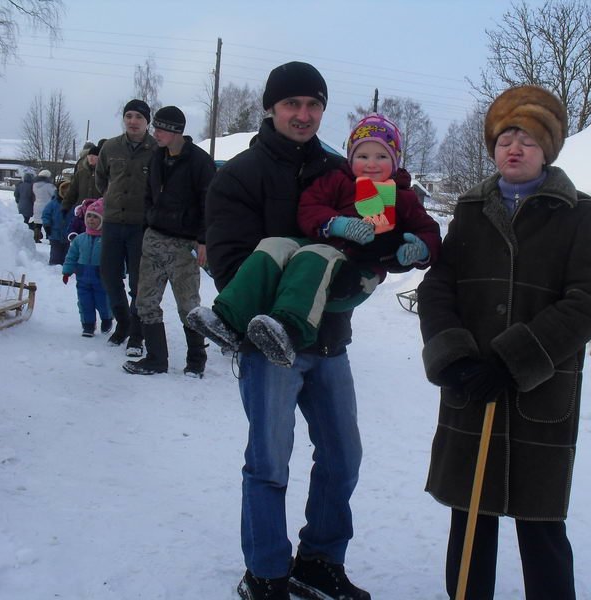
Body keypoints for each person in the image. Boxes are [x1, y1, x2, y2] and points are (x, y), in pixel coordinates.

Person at [416, 85, 591, 600]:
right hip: (472, 388)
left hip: (539, 393)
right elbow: (438, 287)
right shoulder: (473, 210)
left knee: (540, 524)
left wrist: (514, 359)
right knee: (470, 520)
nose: (514, 148)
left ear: (548, 148)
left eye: (526, 138)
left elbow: (586, 302)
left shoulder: (577, 213)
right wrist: (453, 359)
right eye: (504, 138)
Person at [204, 61, 372, 600]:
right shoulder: (239, 175)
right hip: (268, 348)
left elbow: (369, 239)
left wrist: (379, 258)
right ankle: (267, 572)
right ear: (271, 109)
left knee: (343, 456)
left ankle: (319, 562)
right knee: (270, 461)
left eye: (313, 104)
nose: (303, 114)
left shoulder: (342, 171)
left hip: (330, 342)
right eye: (292, 104)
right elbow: (229, 267)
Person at [188, 113, 441, 368]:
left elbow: (428, 230)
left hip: (357, 270)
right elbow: (309, 207)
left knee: (315, 256)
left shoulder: (402, 196)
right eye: (363, 156)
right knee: (275, 245)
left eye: (382, 157)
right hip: (321, 245)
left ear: (395, 161)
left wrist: (419, 248)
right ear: (351, 157)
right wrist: (337, 223)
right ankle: (229, 319)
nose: (371, 164)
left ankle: (291, 329)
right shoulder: (338, 180)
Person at [122, 106, 216, 378]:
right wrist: (148, 225)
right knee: (146, 301)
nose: (156, 133)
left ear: (176, 131)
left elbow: (209, 203)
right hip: (154, 239)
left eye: (161, 129)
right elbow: (148, 196)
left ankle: (196, 361)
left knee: (188, 305)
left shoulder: (199, 161)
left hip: (184, 244)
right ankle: (155, 359)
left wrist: (203, 240)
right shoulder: (156, 157)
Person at [95, 99, 156, 356]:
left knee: (138, 283)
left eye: (139, 117)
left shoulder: (156, 149)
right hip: (111, 223)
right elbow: (101, 180)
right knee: (109, 276)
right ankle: (123, 323)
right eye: (129, 116)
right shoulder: (110, 147)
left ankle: (137, 335)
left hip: (140, 226)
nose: (133, 121)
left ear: (147, 122)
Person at [62, 198, 113, 337]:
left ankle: (107, 319)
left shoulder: (108, 240)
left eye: (95, 217)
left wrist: (119, 272)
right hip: (83, 276)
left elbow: (116, 258)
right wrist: (67, 271)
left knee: (103, 302)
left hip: (101, 278)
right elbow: (71, 256)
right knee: (85, 303)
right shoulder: (80, 239)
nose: (91, 220)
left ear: (103, 220)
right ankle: (88, 326)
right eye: (88, 216)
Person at [62, 143, 101, 214]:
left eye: (94, 156)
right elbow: (72, 191)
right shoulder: (81, 173)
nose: (91, 158)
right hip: (81, 210)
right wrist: (65, 206)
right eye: (89, 156)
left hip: (98, 211)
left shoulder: (104, 173)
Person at [41, 183, 71, 265]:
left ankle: (66, 268)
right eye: (64, 189)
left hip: (69, 235)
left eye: (69, 190)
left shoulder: (73, 204)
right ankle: (53, 269)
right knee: (56, 254)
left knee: (68, 255)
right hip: (55, 234)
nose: (66, 192)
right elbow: (45, 215)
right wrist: (47, 225)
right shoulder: (53, 204)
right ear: (59, 191)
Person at [30, 169, 56, 243]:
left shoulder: (34, 185)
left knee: (38, 223)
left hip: (37, 205)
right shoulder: (49, 186)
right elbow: (54, 194)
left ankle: (36, 237)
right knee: (48, 223)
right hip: (47, 206)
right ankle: (51, 238)